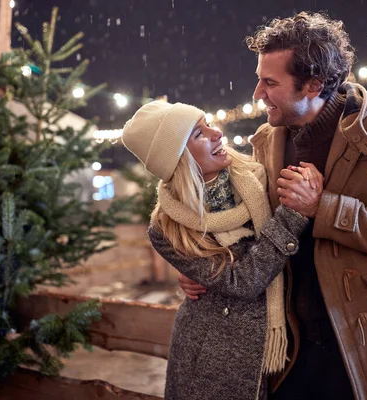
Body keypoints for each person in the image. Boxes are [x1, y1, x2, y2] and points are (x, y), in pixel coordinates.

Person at [178, 11, 367, 400]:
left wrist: (322, 207)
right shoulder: (265, 139)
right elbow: (255, 227)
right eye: (259, 78)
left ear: (314, 84)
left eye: (270, 82)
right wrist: (209, 268)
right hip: (292, 350)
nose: (257, 93)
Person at [121, 100, 315, 400]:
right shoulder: (168, 228)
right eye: (199, 134)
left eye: (209, 123)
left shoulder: (260, 176)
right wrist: (293, 216)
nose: (216, 133)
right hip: (210, 363)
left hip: (285, 344)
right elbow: (242, 282)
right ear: (178, 160)